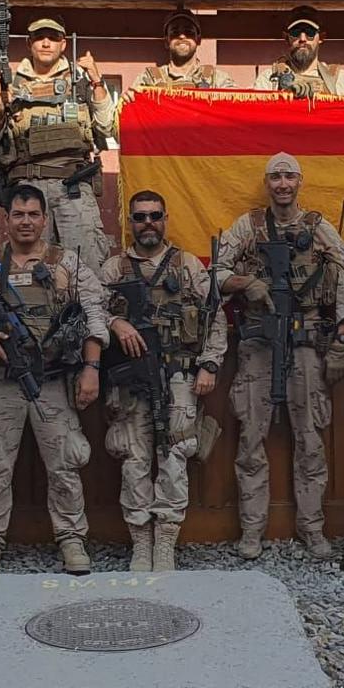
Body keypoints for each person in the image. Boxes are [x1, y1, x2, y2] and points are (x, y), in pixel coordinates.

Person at [0, 184, 111, 576]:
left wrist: (91, 369)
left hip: (52, 382)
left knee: (64, 464)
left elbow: (95, 313)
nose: (26, 222)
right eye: (18, 215)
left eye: (33, 215)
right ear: (6, 220)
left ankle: (72, 539)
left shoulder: (66, 263)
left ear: (45, 219)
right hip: (3, 382)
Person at [213, 153, 344, 560]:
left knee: (311, 439)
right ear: (267, 183)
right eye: (275, 177)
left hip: (308, 341)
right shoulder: (250, 225)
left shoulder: (317, 227)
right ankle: (252, 530)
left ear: (300, 182)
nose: (282, 183)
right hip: (259, 340)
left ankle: (312, 529)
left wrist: (343, 336)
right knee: (251, 438)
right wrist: (247, 283)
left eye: (288, 176)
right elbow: (217, 272)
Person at [98, 191, 228, 572]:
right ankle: (141, 540)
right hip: (131, 381)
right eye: (140, 217)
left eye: (155, 216)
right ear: (131, 223)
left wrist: (210, 365)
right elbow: (88, 311)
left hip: (178, 377)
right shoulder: (113, 269)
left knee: (174, 455)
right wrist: (114, 322)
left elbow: (215, 318)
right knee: (134, 459)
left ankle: (166, 540)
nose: (148, 223)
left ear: (165, 219)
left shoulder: (186, 265)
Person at [0, 15, 116, 271]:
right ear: (29, 44)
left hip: (72, 188)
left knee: (87, 267)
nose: (46, 43)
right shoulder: (11, 83)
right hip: (27, 190)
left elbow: (107, 127)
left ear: (63, 44)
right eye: (40, 37)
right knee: (28, 267)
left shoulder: (80, 79)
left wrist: (96, 81)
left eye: (53, 38)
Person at [252, 6, 344, 97]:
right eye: (295, 32)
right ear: (286, 37)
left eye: (310, 32)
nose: (302, 39)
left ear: (321, 37)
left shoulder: (341, 80)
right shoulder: (269, 80)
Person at [132, 11, 236, 89]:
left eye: (189, 32)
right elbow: (127, 110)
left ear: (198, 40)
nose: (182, 36)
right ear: (166, 41)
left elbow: (239, 109)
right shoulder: (148, 79)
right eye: (175, 32)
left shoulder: (217, 79)